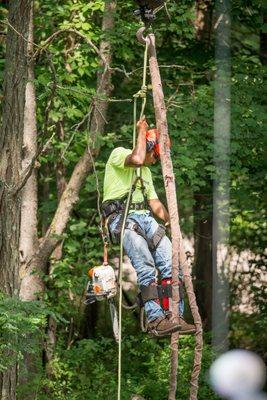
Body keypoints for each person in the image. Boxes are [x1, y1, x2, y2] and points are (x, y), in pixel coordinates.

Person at [101, 117, 195, 337]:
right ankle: (155, 319)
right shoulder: (119, 154)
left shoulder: (146, 173)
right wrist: (142, 132)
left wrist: (171, 220)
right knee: (145, 265)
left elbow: (154, 203)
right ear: (150, 147)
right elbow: (137, 157)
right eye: (155, 156)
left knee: (171, 263)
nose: (154, 161)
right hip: (122, 219)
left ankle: (174, 315)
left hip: (145, 219)